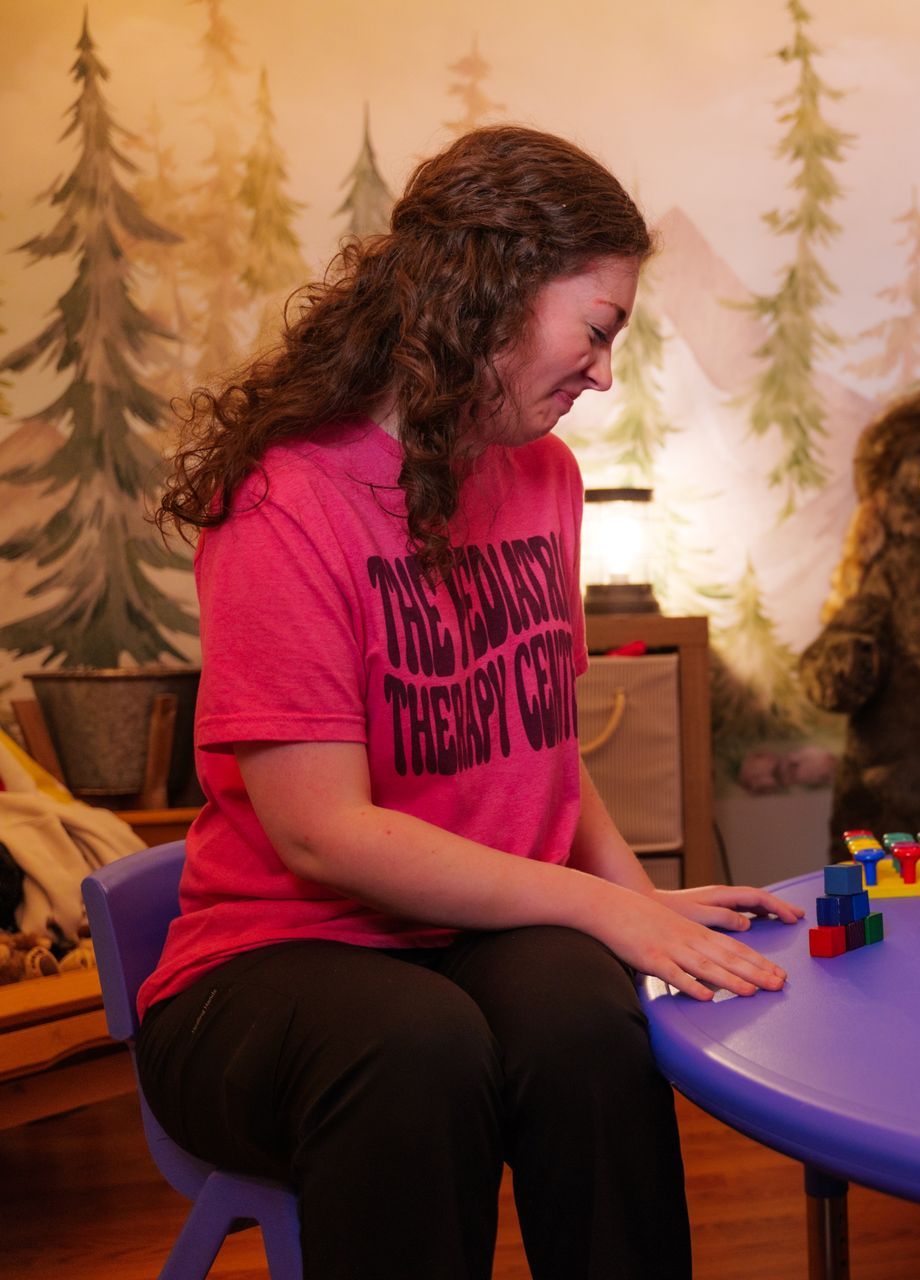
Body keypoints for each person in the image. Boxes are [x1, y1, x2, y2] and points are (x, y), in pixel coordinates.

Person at [144, 125, 802, 1280]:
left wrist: (648, 913)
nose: (605, 373)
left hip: (469, 935)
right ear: (488, 291)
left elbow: (547, 746)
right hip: (266, 964)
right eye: (597, 331)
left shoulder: (542, 477)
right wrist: (603, 911)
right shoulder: (286, 500)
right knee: (416, 1047)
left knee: (593, 1018)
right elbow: (320, 829)